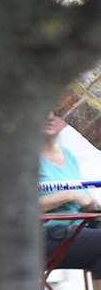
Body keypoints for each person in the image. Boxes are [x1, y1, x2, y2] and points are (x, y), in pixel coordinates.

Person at [40, 111, 101, 277]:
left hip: (74, 232)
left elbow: (85, 201)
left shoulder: (69, 156)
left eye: (58, 112)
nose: (50, 116)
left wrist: (93, 206)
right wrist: (69, 195)